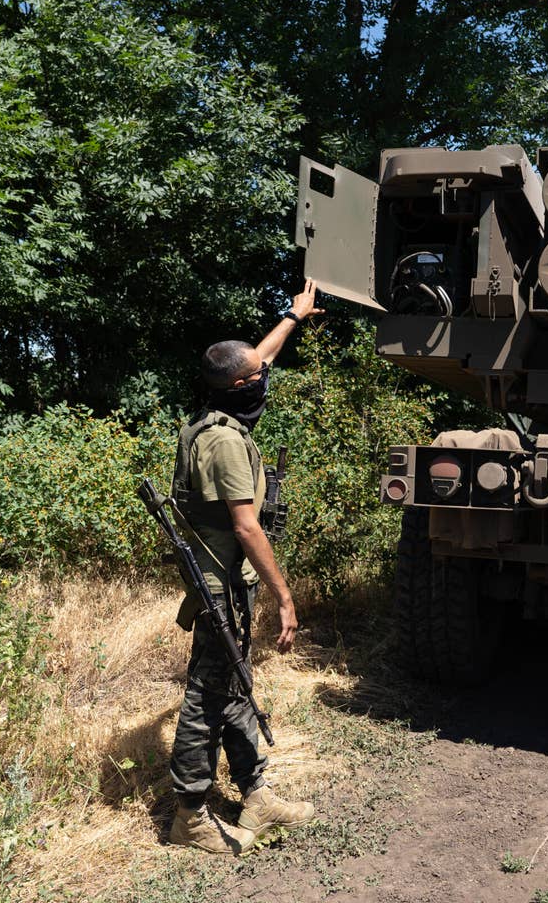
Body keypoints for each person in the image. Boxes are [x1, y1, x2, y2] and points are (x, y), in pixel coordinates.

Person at [167, 278, 325, 855]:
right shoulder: (226, 444)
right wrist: (285, 595)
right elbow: (245, 526)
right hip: (220, 581)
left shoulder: (215, 415)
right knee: (208, 694)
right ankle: (188, 814)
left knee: (235, 681)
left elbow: (259, 359)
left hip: (227, 579)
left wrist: (294, 315)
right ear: (238, 387)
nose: (265, 379)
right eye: (256, 377)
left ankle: (256, 793)